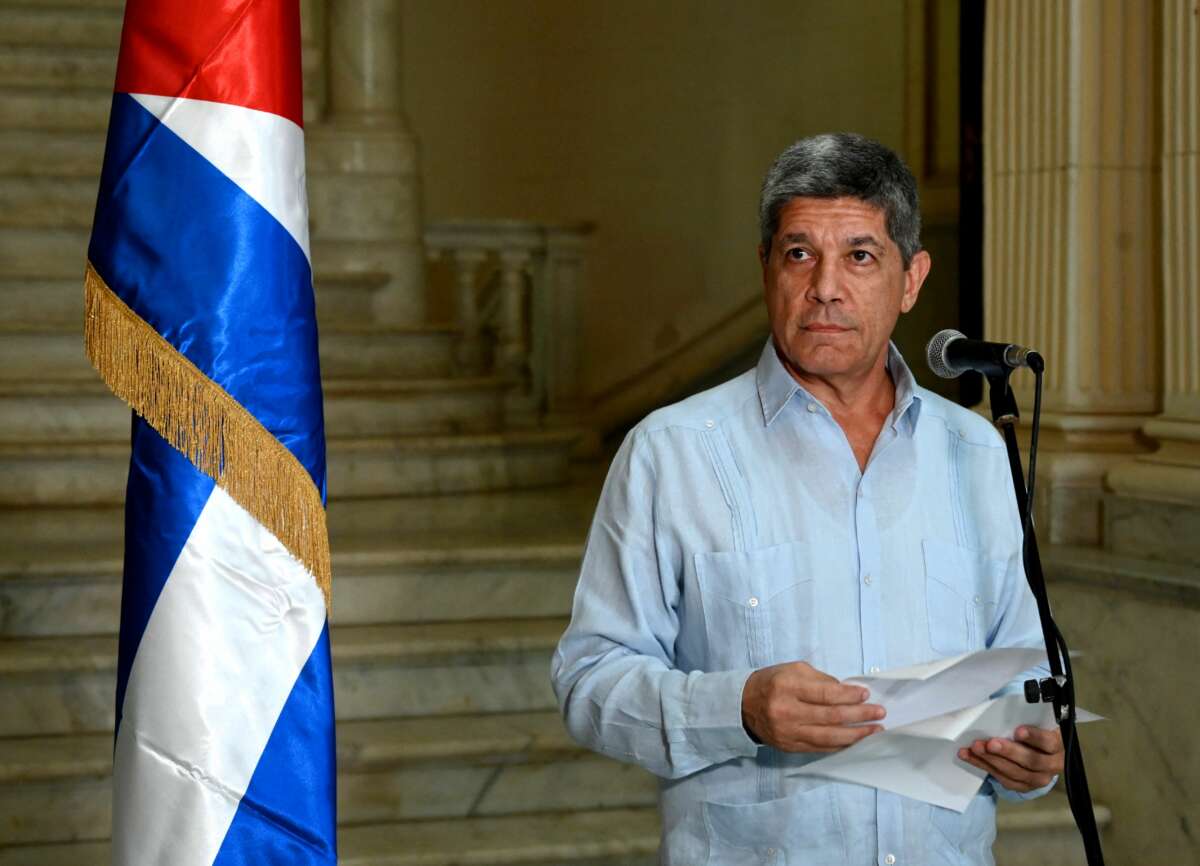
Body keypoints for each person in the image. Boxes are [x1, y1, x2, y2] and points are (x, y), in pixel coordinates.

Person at [551, 133, 1064, 865]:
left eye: (859, 256)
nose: (825, 286)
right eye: (799, 254)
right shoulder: (671, 453)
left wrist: (1034, 753)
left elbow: (1025, 666)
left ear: (911, 278)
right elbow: (588, 679)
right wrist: (740, 709)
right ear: (766, 268)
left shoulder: (977, 453)